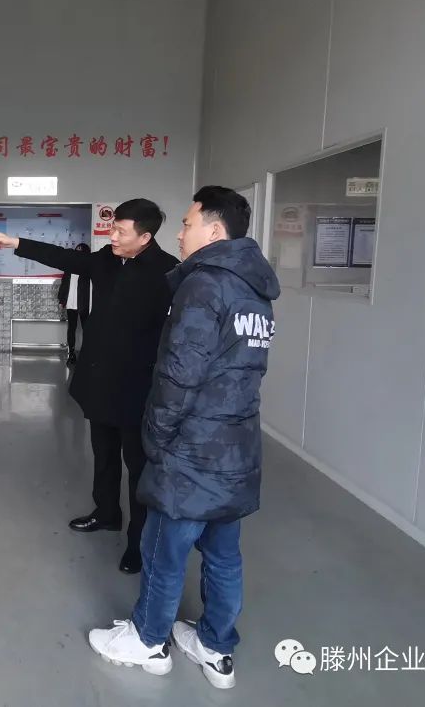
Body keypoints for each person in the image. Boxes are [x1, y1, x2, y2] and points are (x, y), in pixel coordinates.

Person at [87, 186, 281, 690]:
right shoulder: (256, 288)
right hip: (237, 445)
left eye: (188, 224)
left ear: (214, 231)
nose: (179, 233)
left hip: (194, 448)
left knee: (163, 551)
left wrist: (155, 436)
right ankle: (216, 647)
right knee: (223, 555)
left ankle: (149, 640)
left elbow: (179, 374)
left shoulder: (204, 285)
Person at [0, 199, 179, 573]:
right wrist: (17, 243)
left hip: (139, 388)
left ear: (145, 237)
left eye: (121, 231)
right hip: (101, 381)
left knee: (139, 469)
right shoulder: (107, 260)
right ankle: (106, 513)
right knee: (103, 456)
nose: (112, 236)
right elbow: (67, 259)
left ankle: (139, 544)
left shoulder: (167, 272)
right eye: (113, 228)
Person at [57, 243, 91, 366]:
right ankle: (71, 354)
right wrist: (62, 300)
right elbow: (64, 284)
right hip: (71, 303)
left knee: (87, 329)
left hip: (84, 303)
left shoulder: (89, 268)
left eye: (81, 252)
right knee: (71, 329)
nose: (78, 254)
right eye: (77, 252)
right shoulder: (69, 267)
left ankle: (87, 354)